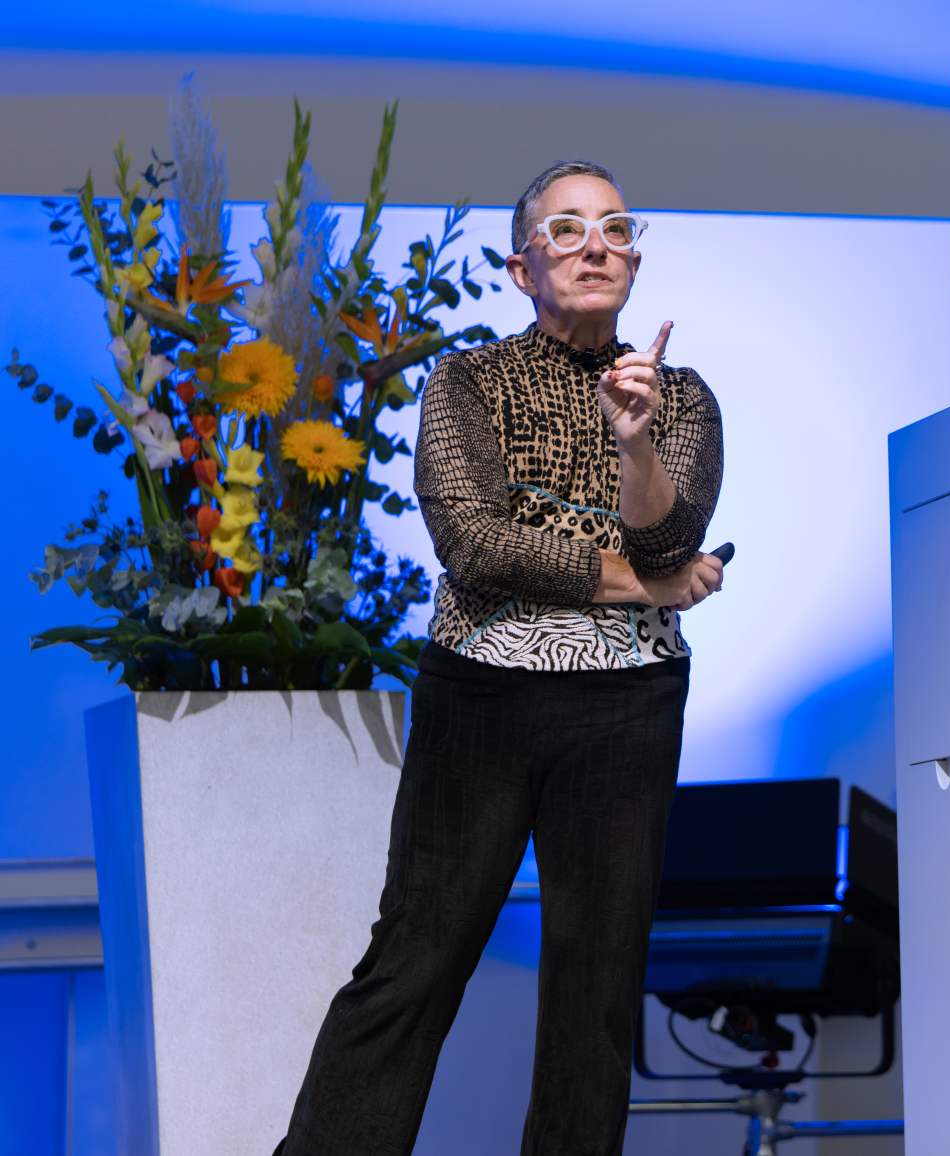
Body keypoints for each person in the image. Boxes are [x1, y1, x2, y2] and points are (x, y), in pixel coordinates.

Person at [274, 160, 725, 1155]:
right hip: (481, 695)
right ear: (522, 267)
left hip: (629, 705)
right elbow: (477, 547)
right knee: (416, 961)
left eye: (615, 227)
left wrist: (634, 442)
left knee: (596, 989)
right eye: (566, 229)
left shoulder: (683, 399)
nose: (596, 245)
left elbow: (670, 537)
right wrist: (647, 587)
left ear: (636, 258)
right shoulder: (468, 381)